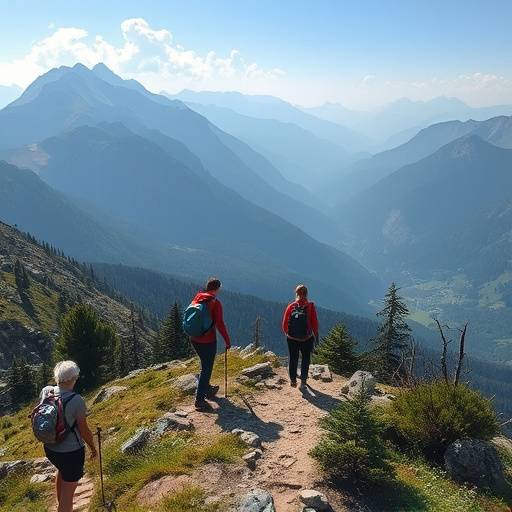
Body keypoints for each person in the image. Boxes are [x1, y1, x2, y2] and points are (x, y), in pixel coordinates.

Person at [43, 361, 97, 512]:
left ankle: (60, 504)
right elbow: (84, 430)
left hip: (50, 448)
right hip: (71, 452)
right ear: (74, 378)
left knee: (62, 470)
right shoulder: (76, 400)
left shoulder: (47, 391)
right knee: (69, 493)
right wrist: (93, 447)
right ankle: (64, 506)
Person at [189, 277, 231, 411]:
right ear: (217, 288)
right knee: (206, 369)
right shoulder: (215, 302)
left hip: (194, 338)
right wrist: (227, 340)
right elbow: (220, 324)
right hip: (208, 340)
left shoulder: (198, 298)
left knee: (204, 365)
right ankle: (199, 400)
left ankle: (207, 389)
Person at [282, 284, 319, 388]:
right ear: (306, 293)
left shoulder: (291, 306)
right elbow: (314, 323)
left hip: (292, 338)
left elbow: (284, 323)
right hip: (307, 338)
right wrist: (315, 335)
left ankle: (293, 380)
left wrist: (288, 334)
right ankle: (303, 382)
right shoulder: (310, 306)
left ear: (296, 293)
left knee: (293, 358)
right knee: (306, 359)